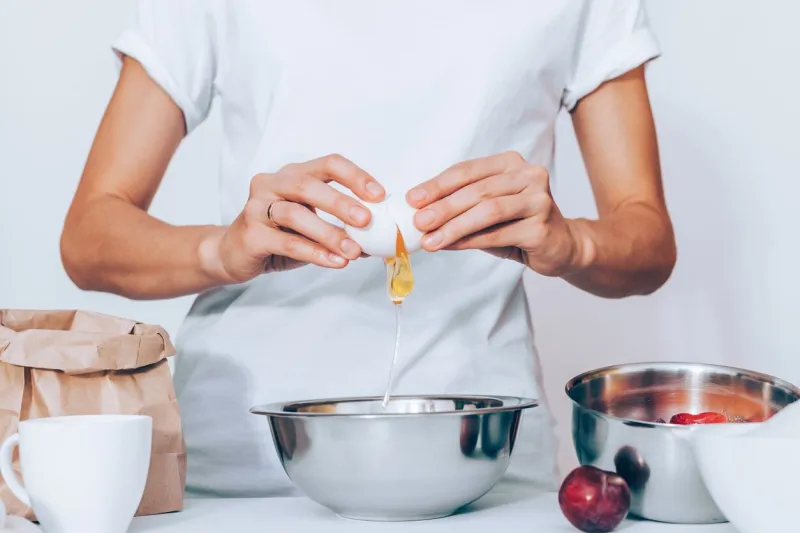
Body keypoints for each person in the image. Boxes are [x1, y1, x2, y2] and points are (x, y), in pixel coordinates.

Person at [60, 0, 676, 497]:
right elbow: (89, 237)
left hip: (479, 463)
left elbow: (647, 243)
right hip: (245, 463)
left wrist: (572, 244)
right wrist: (224, 251)